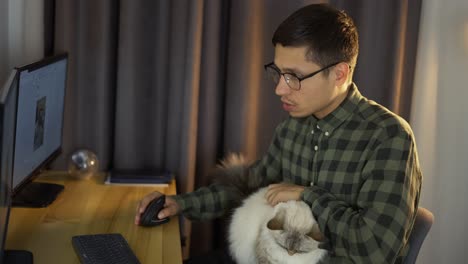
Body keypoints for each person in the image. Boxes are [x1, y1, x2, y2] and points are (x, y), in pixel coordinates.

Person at [135, 3, 421, 264]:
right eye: (278, 72)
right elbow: (246, 186)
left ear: (340, 74)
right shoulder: (292, 128)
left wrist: (309, 196)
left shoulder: (388, 137)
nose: (279, 89)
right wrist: (180, 204)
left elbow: (376, 250)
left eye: (294, 77)